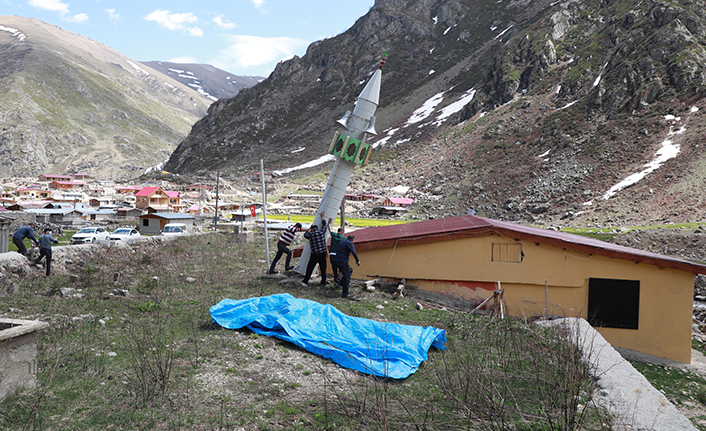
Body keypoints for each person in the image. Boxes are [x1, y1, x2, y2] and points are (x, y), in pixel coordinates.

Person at [300, 214, 330, 287]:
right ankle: (323, 283)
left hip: (315, 254)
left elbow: (305, 235)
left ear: (312, 229)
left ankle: (305, 281)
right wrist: (323, 217)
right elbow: (324, 225)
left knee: (310, 267)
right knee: (323, 268)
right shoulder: (321, 233)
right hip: (323, 253)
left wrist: (308, 229)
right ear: (317, 228)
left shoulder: (311, 235)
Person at [332, 234, 360, 299]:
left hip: (336, 260)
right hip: (343, 261)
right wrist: (357, 260)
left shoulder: (342, 241)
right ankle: (345, 294)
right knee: (347, 276)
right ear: (352, 239)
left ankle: (340, 283)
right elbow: (353, 251)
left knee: (349, 270)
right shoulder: (349, 243)